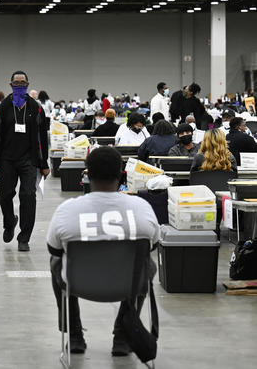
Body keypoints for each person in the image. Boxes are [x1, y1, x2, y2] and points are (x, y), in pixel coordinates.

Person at [47, 146, 160, 355]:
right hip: (128, 284)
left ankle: (74, 335)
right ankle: (123, 335)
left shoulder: (68, 210)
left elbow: (53, 249)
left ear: (87, 174)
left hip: (79, 283)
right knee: (147, 266)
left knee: (55, 264)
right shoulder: (141, 208)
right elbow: (152, 245)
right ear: (121, 174)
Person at [0, 71, 49, 252]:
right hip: (6, 160)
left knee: (28, 196)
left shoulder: (36, 108)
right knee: (5, 195)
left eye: (23, 83)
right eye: (17, 83)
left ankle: (24, 238)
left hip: (29, 160)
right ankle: (9, 221)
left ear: (28, 84)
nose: (20, 85)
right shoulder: (2, 108)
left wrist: (44, 164)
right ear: (11, 84)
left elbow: (42, 138)